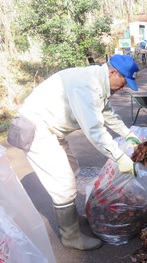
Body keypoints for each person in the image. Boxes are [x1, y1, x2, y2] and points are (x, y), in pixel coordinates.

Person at [8, 54, 140, 251]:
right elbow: (94, 130)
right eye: (123, 82)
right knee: (63, 182)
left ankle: (71, 215)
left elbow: (106, 113)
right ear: (113, 73)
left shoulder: (98, 82)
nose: (123, 88)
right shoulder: (86, 86)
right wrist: (120, 157)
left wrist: (128, 134)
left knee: (72, 168)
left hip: (50, 130)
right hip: (35, 128)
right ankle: (70, 236)